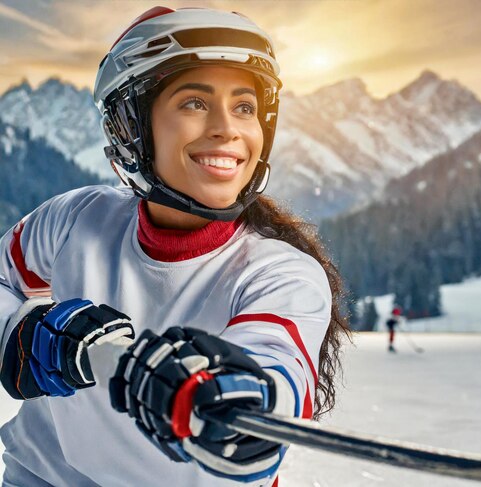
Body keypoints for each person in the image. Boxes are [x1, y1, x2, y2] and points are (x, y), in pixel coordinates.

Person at [0, 6, 350, 487]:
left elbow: (275, 382)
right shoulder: (76, 219)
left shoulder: (282, 274)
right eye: (195, 103)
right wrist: (27, 334)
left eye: (245, 107)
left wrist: (233, 398)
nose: (228, 128)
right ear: (130, 125)